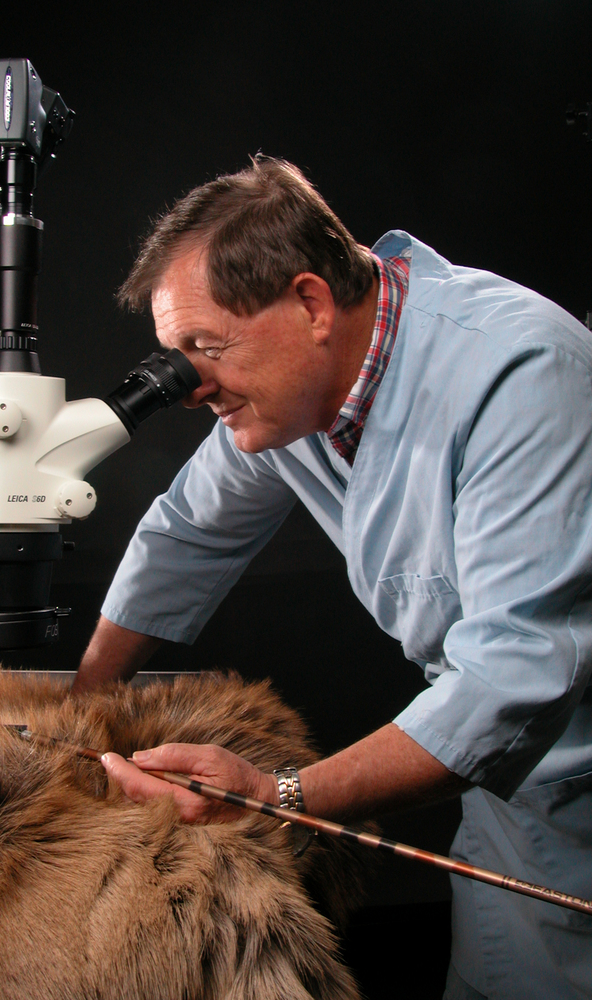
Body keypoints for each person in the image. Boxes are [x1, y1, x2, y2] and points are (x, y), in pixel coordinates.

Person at [70, 157, 592, 999]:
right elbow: (185, 533)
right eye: (176, 357)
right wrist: (81, 700)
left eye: (205, 346)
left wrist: (279, 795)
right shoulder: (299, 394)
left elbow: (513, 676)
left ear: (310, 302)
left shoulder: (519, 371)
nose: (191, 385)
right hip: (509, 802)